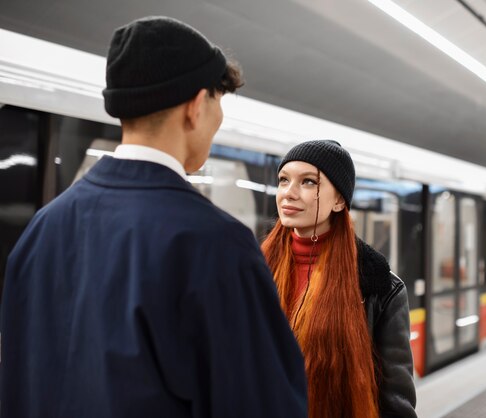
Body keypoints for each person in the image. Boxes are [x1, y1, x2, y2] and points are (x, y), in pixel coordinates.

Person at [0, 16, 307, 418]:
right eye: (219, 101)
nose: (220, 119)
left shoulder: (42, 229)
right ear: (196, 107)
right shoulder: (217, 244)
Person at [261, 140, 417, 418]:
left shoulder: (378, 286)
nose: (289, 193)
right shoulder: (253, 269)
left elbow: (395, 400)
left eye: (308, 182)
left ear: (339, 200)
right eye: (283, 180)